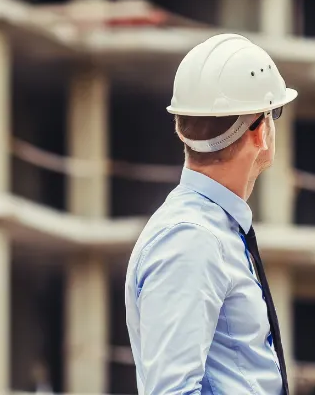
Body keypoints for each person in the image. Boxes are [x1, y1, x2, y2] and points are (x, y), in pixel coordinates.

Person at [124, 33, 297, 395]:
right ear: (261, 131)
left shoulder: (212, 231)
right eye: (274, 112)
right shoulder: (192, 239)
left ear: (179, 128)